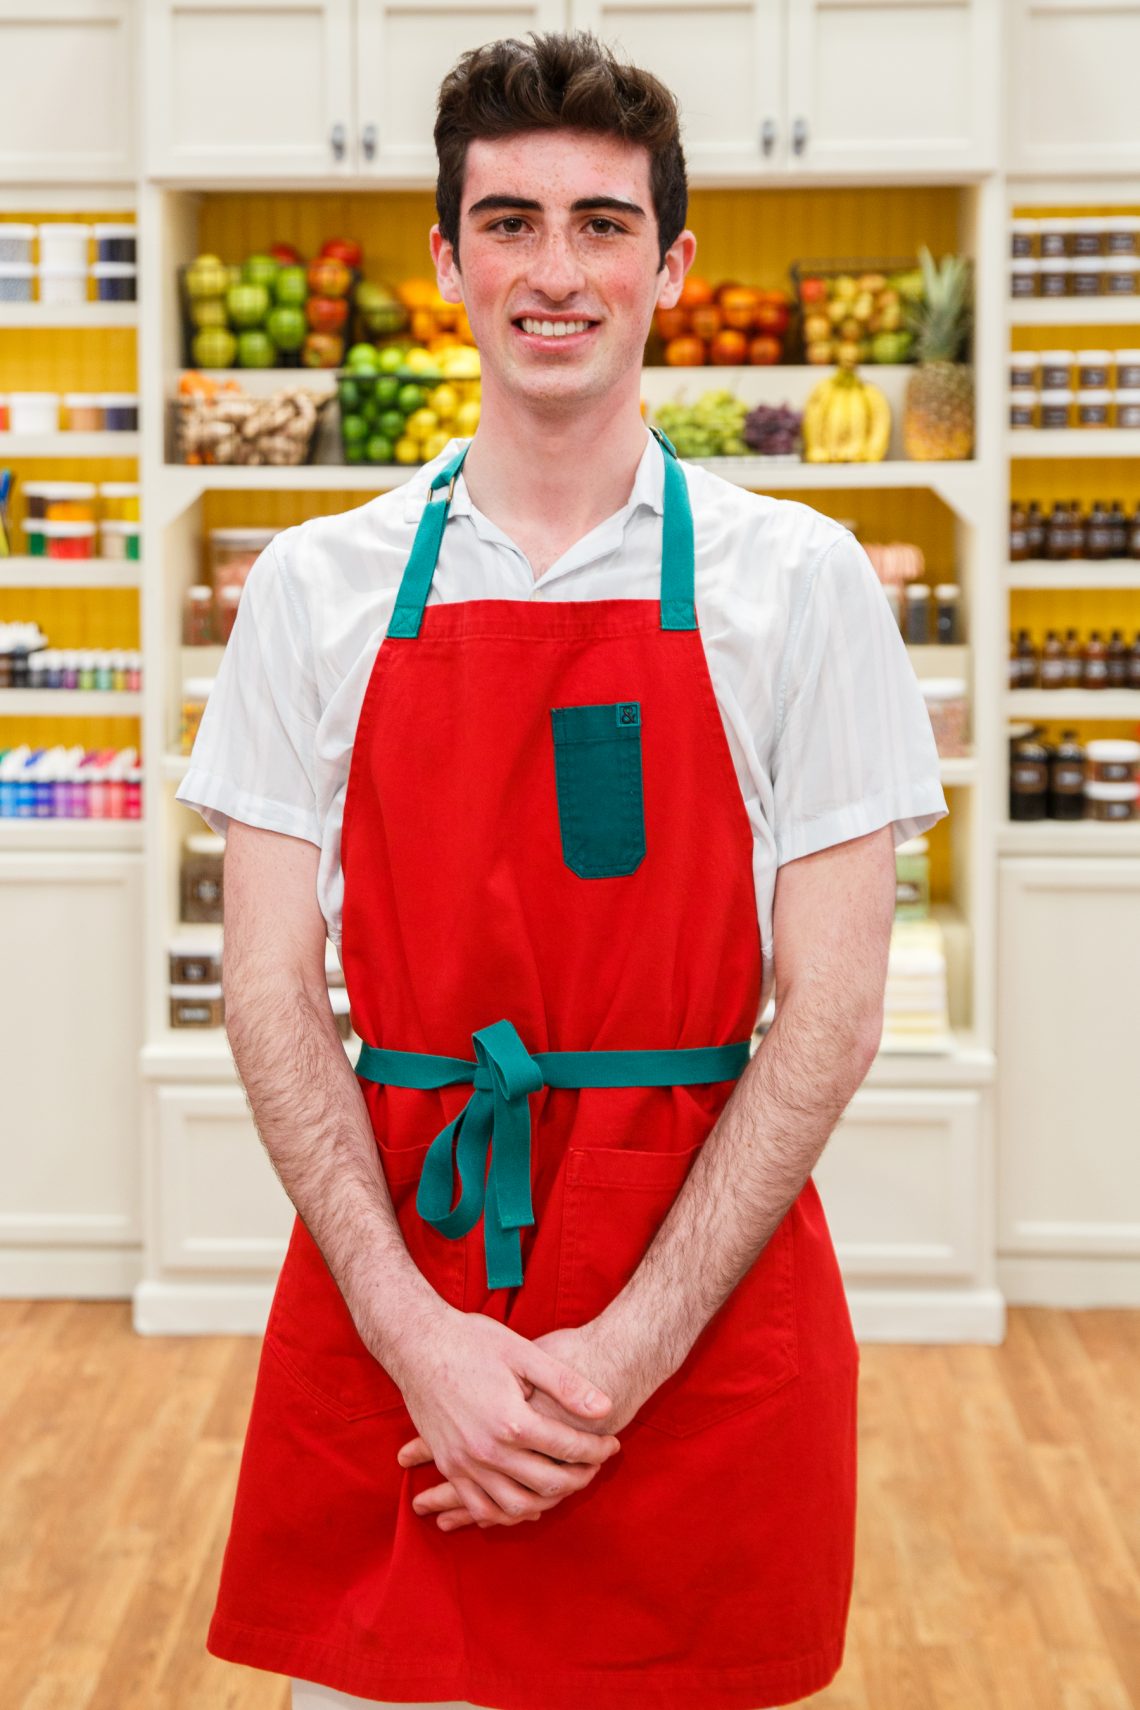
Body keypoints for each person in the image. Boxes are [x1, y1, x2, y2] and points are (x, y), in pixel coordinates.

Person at [175, 29, 949, 1710]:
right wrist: (417, 1333)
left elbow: (830, 1014)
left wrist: (614, 1359)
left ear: (671, 265)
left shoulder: (801, 584)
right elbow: (263, 990)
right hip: (402, 1284)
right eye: (510, 220)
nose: (555, 269)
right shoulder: (311, 589)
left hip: (694, 1313)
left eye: (602, 224)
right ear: (448, 258)